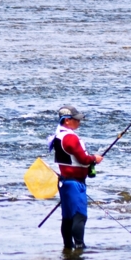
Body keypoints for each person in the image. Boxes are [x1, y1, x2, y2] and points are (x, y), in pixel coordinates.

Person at [49, 105, 103, 251]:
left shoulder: (58, 136)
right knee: (79, 216)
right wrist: (95, 158)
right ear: (67, 120)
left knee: (67, 217)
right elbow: (84, 159)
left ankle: (68, 247)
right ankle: (80, 247)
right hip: (74, 184)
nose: (79, 122)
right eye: (76, 119)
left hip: (64, 182)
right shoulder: (70, 138)